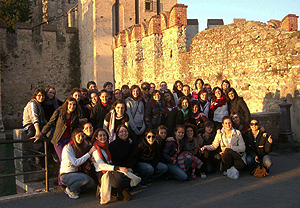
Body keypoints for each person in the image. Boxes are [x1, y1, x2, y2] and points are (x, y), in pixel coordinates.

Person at [32, 97, 80, 185]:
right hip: (59, 139)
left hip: (69, 140)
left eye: (74, 105)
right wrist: (40, 135)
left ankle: (68, 179)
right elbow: (50, 123)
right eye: (70, 104)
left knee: (70, 160)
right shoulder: (59, 112)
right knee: (62, 160)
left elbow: (75, 128)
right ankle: (60, 181)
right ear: (66, 104)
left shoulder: (75, 115)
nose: (72, 106)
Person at [91, 128, 135, 203]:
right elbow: (102, 166)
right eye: (100, 136)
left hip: (110, 170)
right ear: (96, 137)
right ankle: (101, 188)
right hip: (102, 173)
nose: (103, 137)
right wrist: (118, 168)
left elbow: (110, 161)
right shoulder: (95, 149)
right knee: (125, 196)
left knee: (127, 194)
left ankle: (113, 190)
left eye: (104, 135)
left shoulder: (106, 147)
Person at [60, 128, 96, 199]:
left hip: (76, 173)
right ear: (74, 136)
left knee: (91, 183)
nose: (81, 138)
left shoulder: (80, 148)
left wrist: (88, 161)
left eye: (82, 136)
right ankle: (70, 189)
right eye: (78, 136)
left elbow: (81, 159)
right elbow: (76, 162)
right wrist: (89, 153)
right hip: (66, 175)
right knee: (85, 179)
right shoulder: (67, 148)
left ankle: (76, 188)